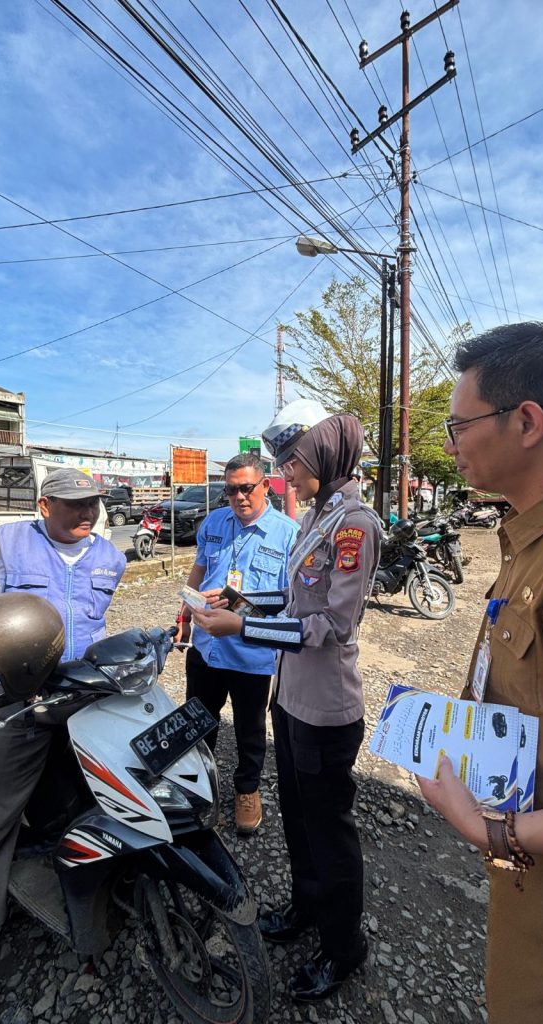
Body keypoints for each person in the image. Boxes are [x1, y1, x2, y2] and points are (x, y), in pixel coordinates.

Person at [415, 322, 543, 1024]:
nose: (451, 445)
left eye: (458, 424)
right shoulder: (537, 531)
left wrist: (494, 831)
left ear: (526, 421)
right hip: (540, 886)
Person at [192, 400, 381, 1002]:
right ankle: (306, 909)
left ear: (323, 454)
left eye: (292, 463)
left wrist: (241, 629)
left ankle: (344, 948)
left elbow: (331, 627)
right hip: (291, 698)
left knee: (330, 832)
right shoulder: (317, 518)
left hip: (326, 707)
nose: (286, 477)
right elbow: (295, 603)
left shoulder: (354, 525)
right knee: (298, 822)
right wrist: (244, 607)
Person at [0, 468, 126, 1024]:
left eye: (91, 503)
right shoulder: (7, 538)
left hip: (83, 693)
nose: (85, 513)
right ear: (45, 506)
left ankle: (96, 889)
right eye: (72, 505)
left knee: (103, 793)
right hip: (14, 696)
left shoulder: (110, 555)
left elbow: (99, 617)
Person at [177, 453, 298, 834]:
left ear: (266, 486)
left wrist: (240, 613)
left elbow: (290, 601)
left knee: (249, 729)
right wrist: (183, 615)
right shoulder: (213, 522)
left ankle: (247, 789)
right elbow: (199, 567)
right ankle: (198, 786)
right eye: (231, 490)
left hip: (251, 653)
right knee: (199, 721)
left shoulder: (288, 535)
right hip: (206, 648)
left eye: (247, 488)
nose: (239, 497)